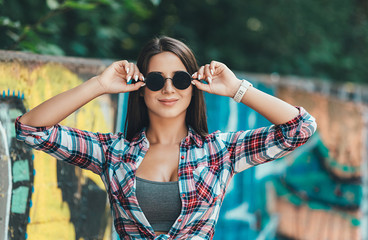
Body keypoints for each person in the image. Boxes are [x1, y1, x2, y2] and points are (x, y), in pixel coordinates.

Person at [15, 36, 317, 240]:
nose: (168, 90)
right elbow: (30, 129)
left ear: (193, 85)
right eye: (157, 80)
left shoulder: (221, 151)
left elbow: (300, 127)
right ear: (141, 86)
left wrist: (237, 88)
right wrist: (99, 85)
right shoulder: (113, 152)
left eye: (181, 79)